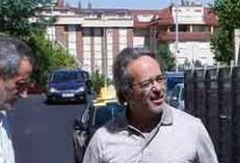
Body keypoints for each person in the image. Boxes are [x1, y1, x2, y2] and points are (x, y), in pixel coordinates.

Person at [83, 47, 218, 163]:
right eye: (147, 84)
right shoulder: (103, 141)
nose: (158, 89)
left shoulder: (192, 130)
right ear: (127, 93)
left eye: (160, 79)